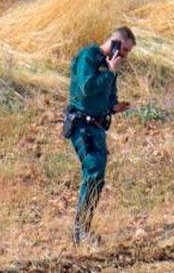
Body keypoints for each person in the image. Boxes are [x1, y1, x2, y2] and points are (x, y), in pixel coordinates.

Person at [65, 27, 135, 246]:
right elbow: (86, 88)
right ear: (114, 42)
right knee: (93, 169)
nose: (124, 55)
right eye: (123, 49)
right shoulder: (89, 56)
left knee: (98, 176)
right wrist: (109, 72)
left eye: (127, 52)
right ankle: (80, 230)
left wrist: (114, 107)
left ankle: (83, 228)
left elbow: (106, 97)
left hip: (97, 127)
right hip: (82, 126)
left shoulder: (110, 65)